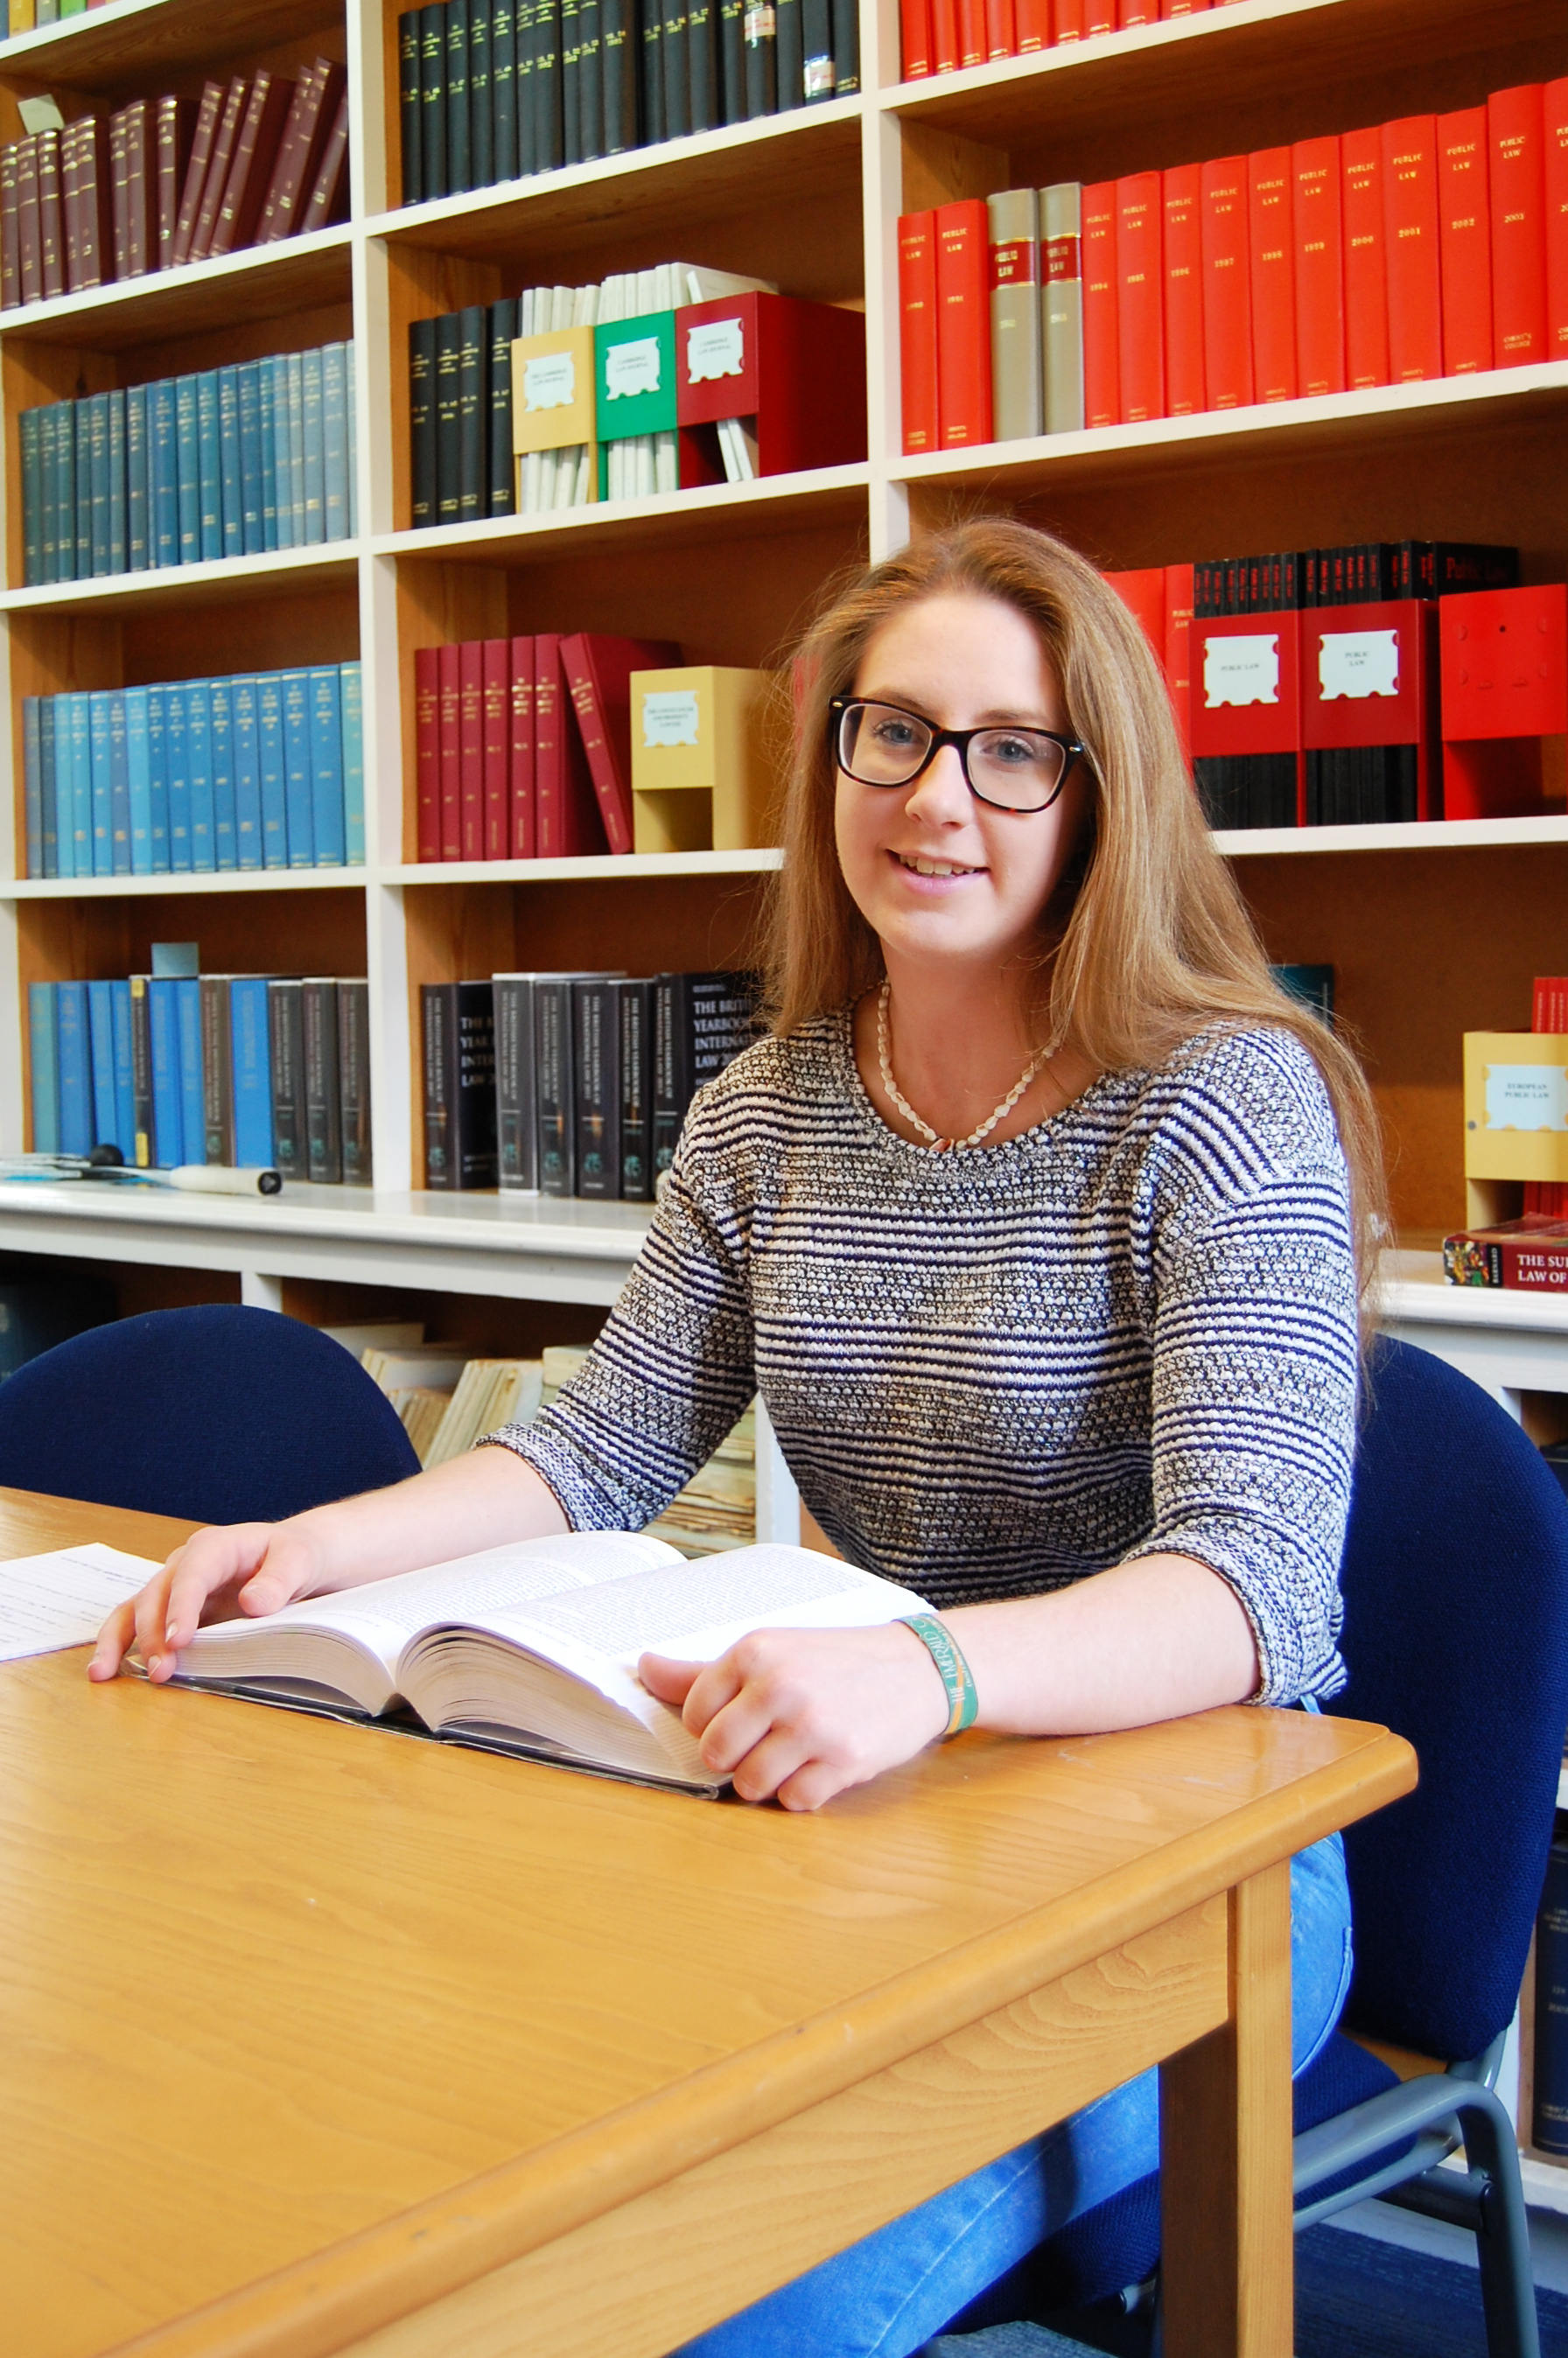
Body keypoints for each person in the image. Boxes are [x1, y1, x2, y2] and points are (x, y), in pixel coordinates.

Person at [91, 518, 1383, 2355]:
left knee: (708, 2297)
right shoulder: (768, 1104)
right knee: (461, 2180)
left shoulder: (1220, 1098)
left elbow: (1249, 1590)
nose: (939, 797)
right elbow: (602, 1442)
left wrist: (923, 1666)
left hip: (1191, 1861)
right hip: (860, 1810)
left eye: (1011, 749)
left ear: (1100, 796)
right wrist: (316, 1549)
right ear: (829, 756)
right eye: (893, 731)